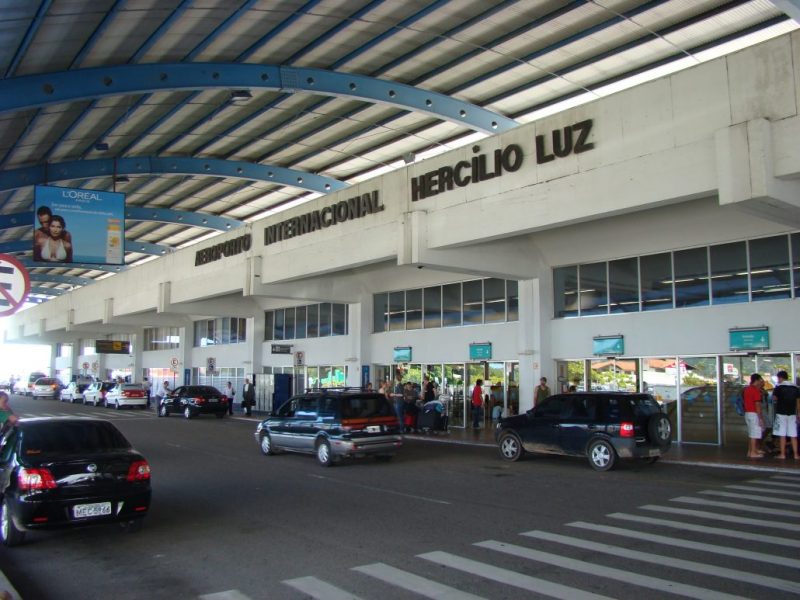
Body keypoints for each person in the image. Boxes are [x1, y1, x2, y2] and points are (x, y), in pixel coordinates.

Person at [771, 370, 799, 460]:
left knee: (782, 434)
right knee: (793, 435)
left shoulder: (778, 387)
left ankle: (782, 454)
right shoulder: (795, 387)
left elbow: (774, 399)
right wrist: (798, 413)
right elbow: (798, 402)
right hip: (792, 414)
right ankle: (796, 455)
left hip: (781, 413)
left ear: (780, 378)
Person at [743, 373, 765, 458]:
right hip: (754, 414)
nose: (761, 382)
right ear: (757, 380)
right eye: (760, 380)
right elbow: (757, 405)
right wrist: (760, 418)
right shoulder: (755, 391)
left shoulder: (747, 389)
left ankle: (751, 451)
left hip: (747, 413)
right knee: (754, 434)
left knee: (751, 433)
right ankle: (753, 452)